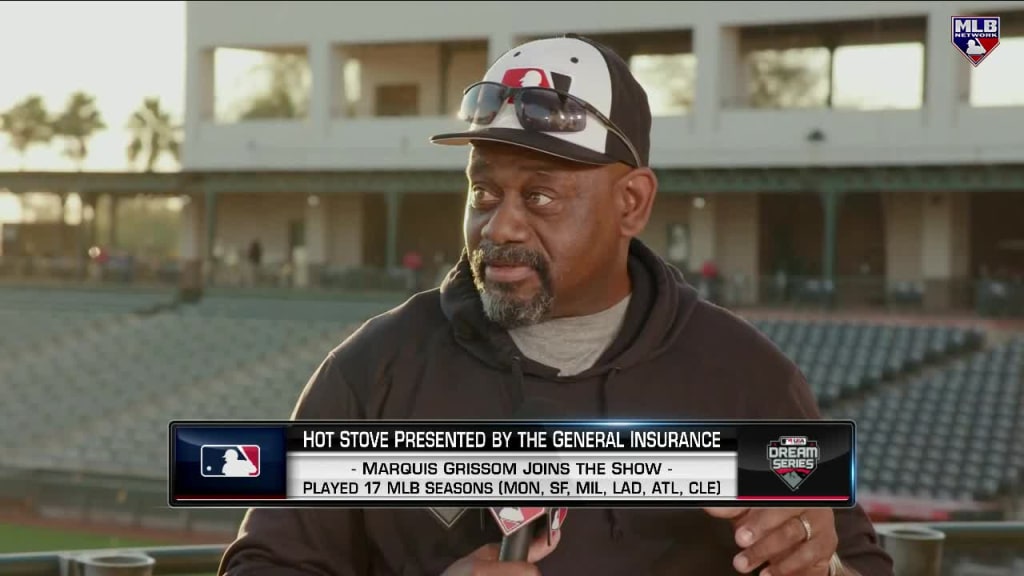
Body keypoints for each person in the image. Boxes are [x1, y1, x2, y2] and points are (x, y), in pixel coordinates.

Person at [218, 34, 893, 576]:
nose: (500, 226)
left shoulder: (747, 377)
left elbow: (857, 565)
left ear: (631, 203)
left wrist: (821, 564)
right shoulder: (376, 368)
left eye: (539, 197)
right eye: (484, 193)